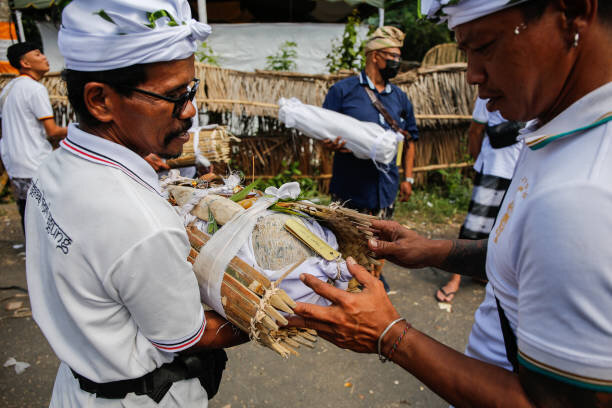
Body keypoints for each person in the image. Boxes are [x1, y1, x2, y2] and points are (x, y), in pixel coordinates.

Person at [289, 0, 612, 406]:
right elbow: (525, 257)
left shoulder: (585, 192)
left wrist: (389, 335)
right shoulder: (554, 129)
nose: (473, 74)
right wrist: (434, 250)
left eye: (485, 46)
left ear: (573, 12)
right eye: (465, 52)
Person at [25, 1, 247, 407]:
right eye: (175, 96)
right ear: (100, 100)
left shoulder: (52, 169)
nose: (191, 109)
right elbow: (188, 335)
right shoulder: (141, 223)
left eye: (191, 90)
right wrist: (281, 318)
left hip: (76, 388)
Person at [322, 26, 419, 291]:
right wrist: (329, 144)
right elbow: (323, 133)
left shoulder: (400, 98)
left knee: (381, 240)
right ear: (375, 55)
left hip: (385, 187)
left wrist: (408, 178)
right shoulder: (343, 92)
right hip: (350, 186)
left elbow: (410, 140)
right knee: (348, 241)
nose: (397, 62)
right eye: (392, 56)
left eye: (399, 56)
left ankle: (374, 278)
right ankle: (349, 283)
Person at [436, 97, 523, 303]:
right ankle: (455, 278)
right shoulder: (489, 93)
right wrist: (480, 161)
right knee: (474, 226)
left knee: (503, 228)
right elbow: (475, 131)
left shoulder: (534, 91)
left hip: (520, 171)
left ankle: (483, 272)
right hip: (494, 167)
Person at [0, 42, 67, 232]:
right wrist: (79, 129)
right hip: (34, 161)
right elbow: (52, 131)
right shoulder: (35, 89)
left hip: (14, 162)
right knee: (47, 213)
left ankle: (32, 253)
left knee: (26, 210)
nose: (44, 58)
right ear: (25, 63)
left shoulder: (8, 89)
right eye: (38, 55)